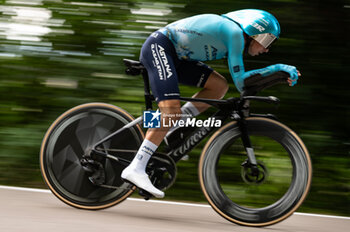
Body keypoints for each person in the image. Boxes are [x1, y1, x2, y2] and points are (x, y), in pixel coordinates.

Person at [121, 9, 301, 198]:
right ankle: (136, 167)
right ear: (255, 31)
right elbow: (241, 83)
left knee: (218, 86)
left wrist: (277, 77)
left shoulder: (235, 36)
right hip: (160, 46)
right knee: (170, 111)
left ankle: (175, 127)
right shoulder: (235, 34)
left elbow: (245, 84)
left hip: (178, 57)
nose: (266, 49)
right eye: (267, 41)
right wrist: (278, 69)